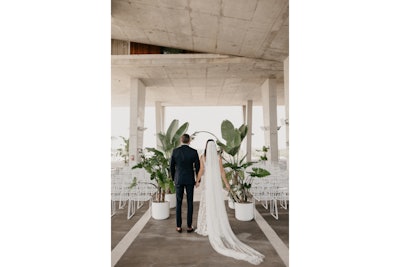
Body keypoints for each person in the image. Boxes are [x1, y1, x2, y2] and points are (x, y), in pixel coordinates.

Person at [194, 139, 265, 265]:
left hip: (208, 186)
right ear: (214, 146)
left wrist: (197, 180)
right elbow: (222, 172)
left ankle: (206, 227)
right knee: (216, 205)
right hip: (215, 186)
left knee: (207, 205)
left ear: (206, 146)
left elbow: (201, 171)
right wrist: (227, 184)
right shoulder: (218, 157)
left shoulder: (203, 157)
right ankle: (216, 225)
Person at [170, 134, 200, 233]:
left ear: (181, 140)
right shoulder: (193, 152)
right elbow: (198, 167)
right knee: (190, 202)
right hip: (189, 180)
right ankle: (189, 226)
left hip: (178, 179)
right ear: (189, 141)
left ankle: (178, 226)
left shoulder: (175, 151)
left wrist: (174, 178)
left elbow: (171, 167)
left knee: (178, 203)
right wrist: (198, 180)